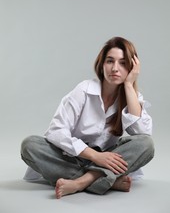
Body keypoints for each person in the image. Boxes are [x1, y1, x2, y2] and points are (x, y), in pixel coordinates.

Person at [21, 36, 154, 199]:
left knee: (146, 144)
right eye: (110, 61)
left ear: (132, 68)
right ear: (102, 64)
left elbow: (143, 133)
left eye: (123, 63)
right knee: (30, 145)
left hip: (108, 159)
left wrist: (128, 85)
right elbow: (56, 131)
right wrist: (95, 156)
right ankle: (105, 180)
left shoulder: (131, 96)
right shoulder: (84, 90)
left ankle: (80, 182)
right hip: (71, 157)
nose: (115, 68)